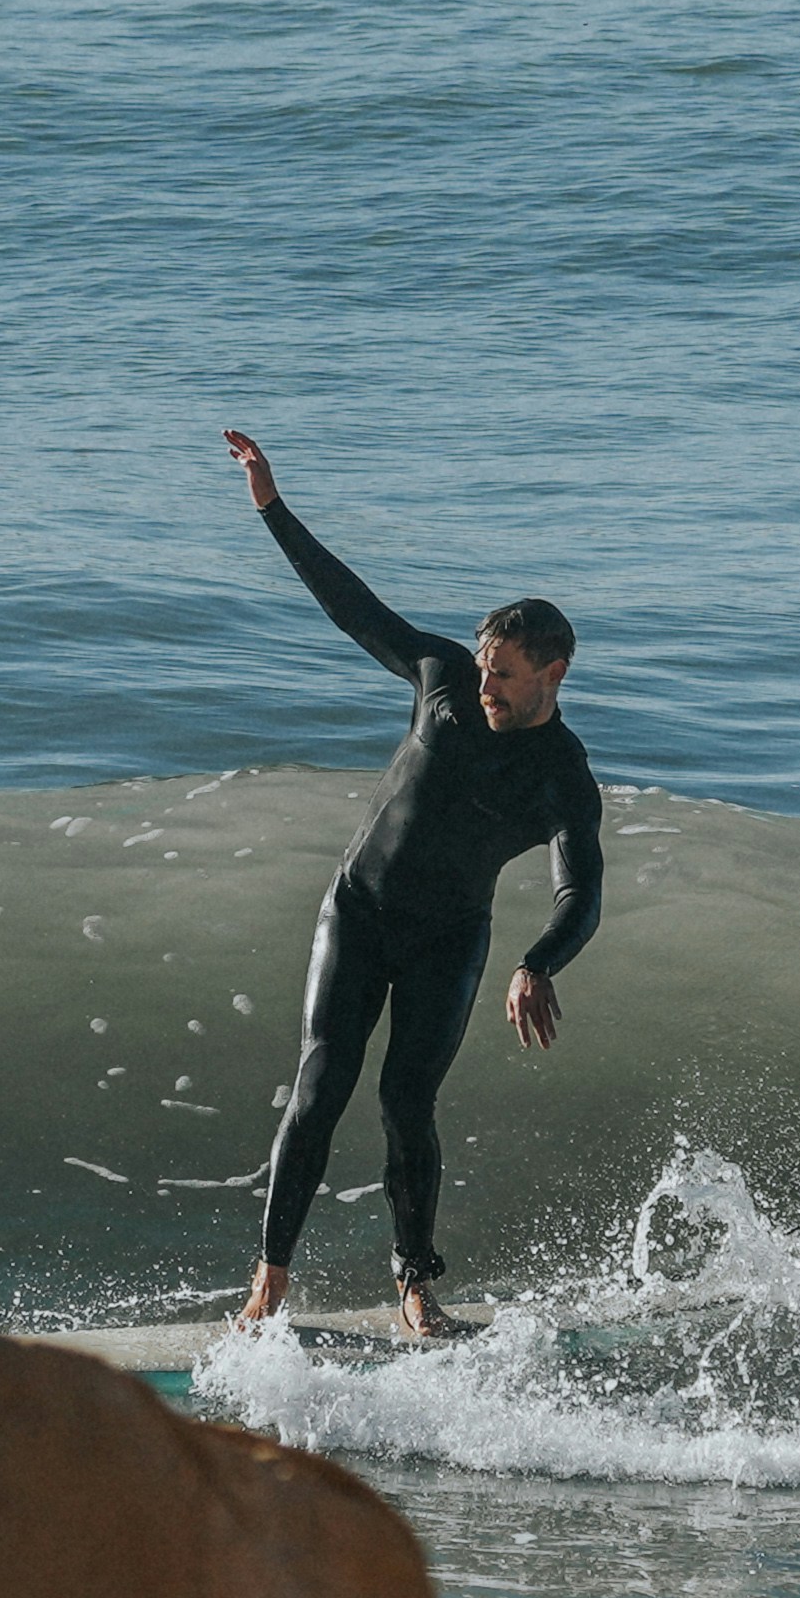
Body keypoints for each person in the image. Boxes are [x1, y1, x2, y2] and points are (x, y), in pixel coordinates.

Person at [220, 428, 601, 1342]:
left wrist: (538, 962)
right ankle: (271, 1281)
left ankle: (416, 1287)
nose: (485, 689)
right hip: (360, 908)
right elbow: (353, 606)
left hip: (448, 936)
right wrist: (273, 506)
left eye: (504, 677)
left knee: (406, 1105)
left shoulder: (562, 775)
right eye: (481, 668)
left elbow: (579, 891)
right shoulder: (440, 677)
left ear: (552, 674)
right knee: (320, 1083)